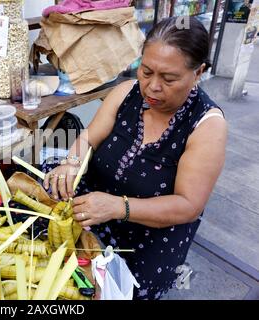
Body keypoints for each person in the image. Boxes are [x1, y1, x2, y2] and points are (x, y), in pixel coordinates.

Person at [42, 16, 228, 300]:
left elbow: (188, 205)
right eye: (146, 71)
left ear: (198, 72)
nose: (152, 87)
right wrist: (71, 164)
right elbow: (88, 139)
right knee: (42, 214)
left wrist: (119, 207)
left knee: (117, 289)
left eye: (168, 78)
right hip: (95, 203)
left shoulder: (207, 126)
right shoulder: (126, 92)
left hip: (149, 234)